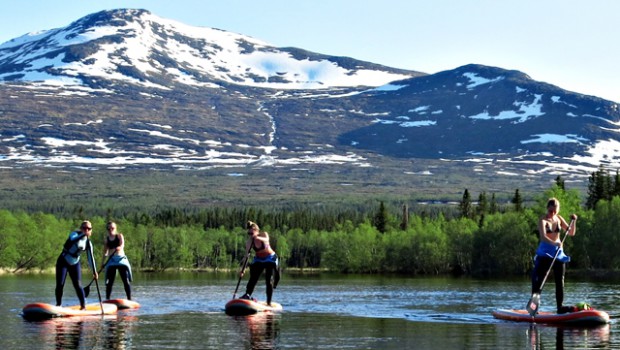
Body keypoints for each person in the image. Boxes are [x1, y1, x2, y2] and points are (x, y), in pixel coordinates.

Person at [531, 198, 578, 314]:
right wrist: (555, 242)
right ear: (547, 208)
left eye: (554, 211)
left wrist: (574, 221)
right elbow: (543, 237)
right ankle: (533, 307)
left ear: (557, 210)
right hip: (545, 252)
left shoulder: (559, 218)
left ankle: (560, 307)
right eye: (551, 211)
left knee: (560, 281)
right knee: (539, 281)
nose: (552, 213)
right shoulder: (543, 220)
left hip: (558, 253)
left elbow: (571, 232)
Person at [55, 220, 97, 309]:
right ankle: (58, 305)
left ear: (91, 230)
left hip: (75, 263)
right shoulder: (74, 234)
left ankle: (83, 307)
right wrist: (83, 234)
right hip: (63, 261)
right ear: (81, 229)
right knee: (60, 284)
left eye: (89, 229)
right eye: (84, 228)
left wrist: (94, 272)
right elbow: (72, 240)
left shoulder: (88, 243)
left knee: (78, 285)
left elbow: (90, 258)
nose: (86, 230)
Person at [240, 221, 280, 305]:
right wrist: (242, 270)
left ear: (256, 231)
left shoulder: (264, 235)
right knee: (253, 278)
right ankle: (248, 295)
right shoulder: (249, 242)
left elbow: (267, 239)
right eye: (249, 233)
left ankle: (268, 302)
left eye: (252, 233)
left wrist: (258, 238)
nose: (250, 235)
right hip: (259, 259)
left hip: (270, 258)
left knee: (268, 280)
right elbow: (246, 256)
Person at [102, 221, 132, 300]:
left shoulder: (119, 236)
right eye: (109, 228)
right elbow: (105, 252)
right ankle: (107, 299)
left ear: (115, 228)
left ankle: (129, 299)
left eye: (112, 228)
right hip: (112, 261)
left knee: (125, 280)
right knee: (110, 282)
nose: (110, 229)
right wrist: (102, 263)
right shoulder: (106, 240)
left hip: (121, 260)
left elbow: (122, 244)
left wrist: (120, 247)